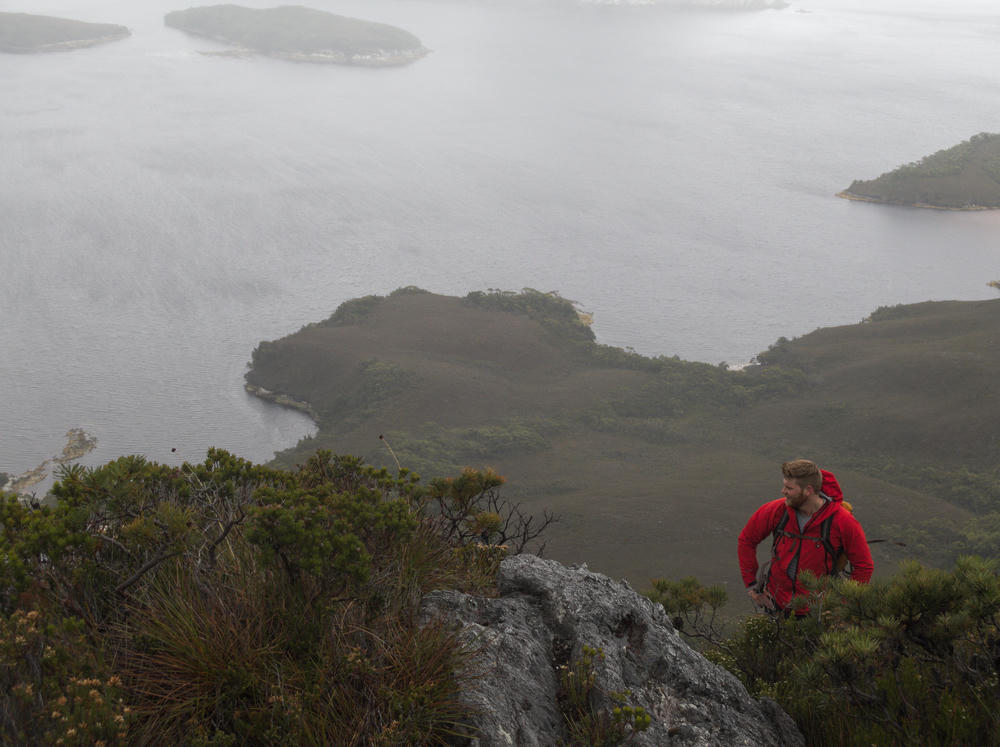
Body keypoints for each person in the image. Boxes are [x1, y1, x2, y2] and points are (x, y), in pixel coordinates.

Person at [738, 459, 873, 613]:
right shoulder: (777, 510)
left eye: (789, 488)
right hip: (776, 605)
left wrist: (844, 606)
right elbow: (746, 540)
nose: (783, 491)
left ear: (808, 490)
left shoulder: (842, 520)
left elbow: (864, 565)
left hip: (819, 611)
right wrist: (751, 585)